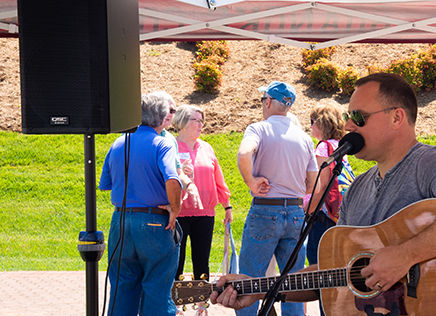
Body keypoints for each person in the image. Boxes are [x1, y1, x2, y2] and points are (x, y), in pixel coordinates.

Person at [211, 72, 436, 310]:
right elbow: (338, 273)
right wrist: (262, 289)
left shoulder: (429, 162)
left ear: (397, 118)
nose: (348, 125)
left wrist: (405, 256)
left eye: (359, 117)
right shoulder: (359, 188)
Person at [235, 81, 319, 316]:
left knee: (250, 279)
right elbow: (313, 182)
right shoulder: (304, 138)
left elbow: (244, 153)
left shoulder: (258, 129)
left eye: (263, 100)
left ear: (269, 102)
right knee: (294, 281)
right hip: (294, 213)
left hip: (265, 208)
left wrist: (252, 182)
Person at [98, 91, 184, 316]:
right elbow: (173, 178)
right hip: (155, 222)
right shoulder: (162, 144)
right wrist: (175, 208)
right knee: (158, 287)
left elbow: (105, 183)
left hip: (121, 221)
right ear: (162, 115)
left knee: (122, 286)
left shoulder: (118, 142)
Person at [172, 104, 232, 282]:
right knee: (177, 261)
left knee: (202, 262)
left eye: (202, 121)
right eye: (196, 120)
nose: (200, 125)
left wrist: (226, 205)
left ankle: (201, 303)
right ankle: (176, 304)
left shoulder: (207, 148)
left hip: (205, 213)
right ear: (182, 122)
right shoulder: (171, 146)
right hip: (178, 213)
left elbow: (218, 180)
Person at [304, 100, 352, 316]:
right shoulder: (340, 145)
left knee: (320, 272)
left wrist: (308, 212)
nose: (310, 126)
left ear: (321, 123)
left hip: (323, 218)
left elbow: (321, 185)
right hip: (338, 216)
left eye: (312, 121)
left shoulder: (324, 147)